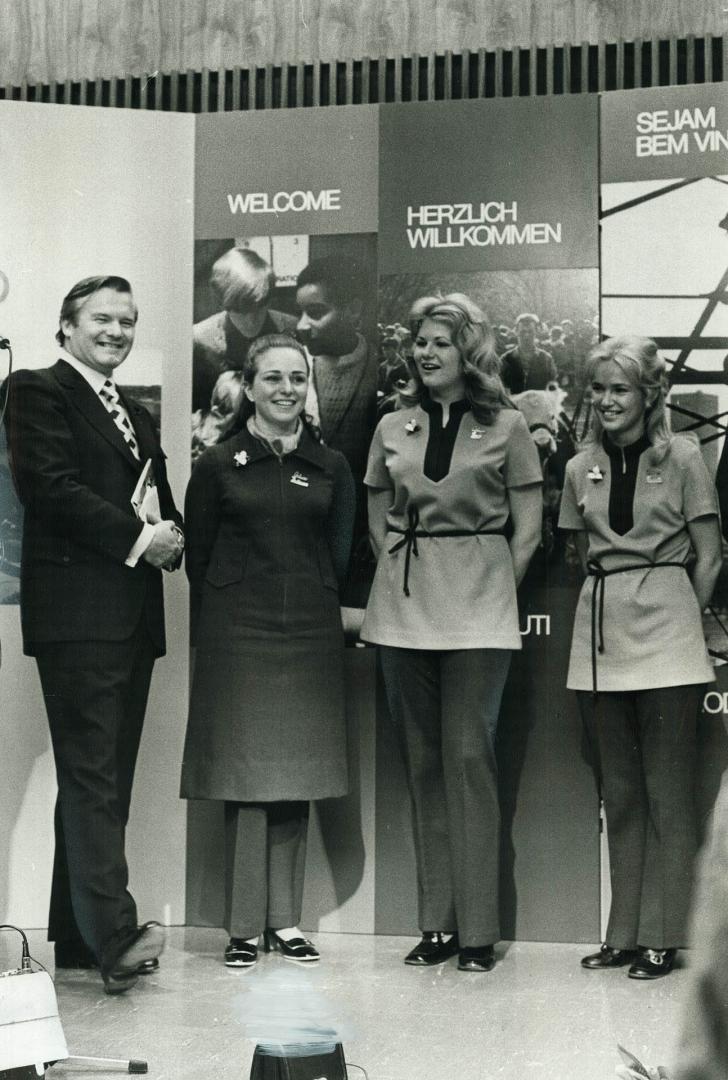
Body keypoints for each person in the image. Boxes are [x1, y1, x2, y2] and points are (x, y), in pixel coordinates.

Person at [3, 275, 184, 994]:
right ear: (67, 325)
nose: (117, 330)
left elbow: (157, 498)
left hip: (129, 620)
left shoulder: (133, 411)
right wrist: (145, 541)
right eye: (103, 318)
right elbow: (47, 486)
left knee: (102, 779)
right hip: (79, 619)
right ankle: (114, 939)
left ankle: (76, 936)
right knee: (92, 777)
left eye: (128, 320)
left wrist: (173, 533)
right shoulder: (36, 390)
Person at [361, 293, 543, 973]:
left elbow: (528, 530)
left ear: (469, 350)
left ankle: (478, 931)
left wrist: (491, 577)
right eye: (421, 341)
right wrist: (399, 563)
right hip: (405, 603)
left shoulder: (509, 425)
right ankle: (435, 924)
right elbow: (377, 505)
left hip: (479, 604)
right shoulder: (391, 425)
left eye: (441, 341)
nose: (427, 352)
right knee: (423, 761)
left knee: (469, 758)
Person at [181, 333, 355, 968]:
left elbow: (340, 551)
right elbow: (198, 558)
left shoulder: (330, 464)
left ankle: (286, 922)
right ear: (248, 387)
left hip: (308, 634)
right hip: (239, 633)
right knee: (247, 777)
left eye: (296, 378)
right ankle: (243, 928)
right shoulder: (218, 464)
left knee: (295, 774)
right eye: (272, 378)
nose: (286, 389)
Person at [558, 335, 721, 980]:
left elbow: (709, 556)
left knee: (668, 794)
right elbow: (576, 556)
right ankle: (622, 933)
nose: (606, 401)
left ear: (649, 394)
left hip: (670, 635)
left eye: (619, 389)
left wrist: (681, 611)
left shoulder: (683, 456)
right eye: (597, 389)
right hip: (600, 635)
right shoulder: (578, 467)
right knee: (620, 794)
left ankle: (663, 935)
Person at [295, 256, 379, 609]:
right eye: (298, 312)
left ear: (354, 311)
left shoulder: (382, 369)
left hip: (365, 545)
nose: (301, 325)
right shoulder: (290, 370)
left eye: (315, 312)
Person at [192, 247, 296, 414]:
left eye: (260, 306)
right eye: (241, 309)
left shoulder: (293, 329)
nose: (251, 320)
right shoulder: (198, 339)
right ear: (221, 302)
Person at [499, 312, 558, 395]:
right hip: (512, 406)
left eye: (530, 332)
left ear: (536, 332)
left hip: (540, 406)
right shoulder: (505, 359)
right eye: (522, 332)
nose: (526, 336)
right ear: (516, 332)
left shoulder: (546, 359)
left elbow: (553, 389)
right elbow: (498, 389)